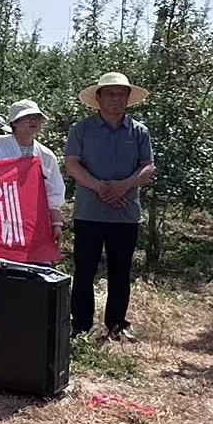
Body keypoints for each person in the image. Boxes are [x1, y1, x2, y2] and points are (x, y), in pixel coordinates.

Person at [64, 71, 156, 342]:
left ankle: (117, 323)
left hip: (125, 213)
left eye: (121, 93)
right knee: (84, 269)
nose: (116, 98)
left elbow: (148, 166)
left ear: (128, 98)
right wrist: (100, 187)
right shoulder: (81, 129)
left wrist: (124, 186)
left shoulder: (139, 131)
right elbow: (72, 163)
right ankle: (80, 323)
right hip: (89, 212)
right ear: (99, 97)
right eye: (111, 93)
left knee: (121, 270)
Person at [0, 100, 67, 327]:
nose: (33, 121)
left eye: (37, 118)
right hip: (0, 218)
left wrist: (56, 222)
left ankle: (24, 321)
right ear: (14, 122)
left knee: (32, 268)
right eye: (27, 118)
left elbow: (54, 191)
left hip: (33, 221)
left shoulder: (46, 154)